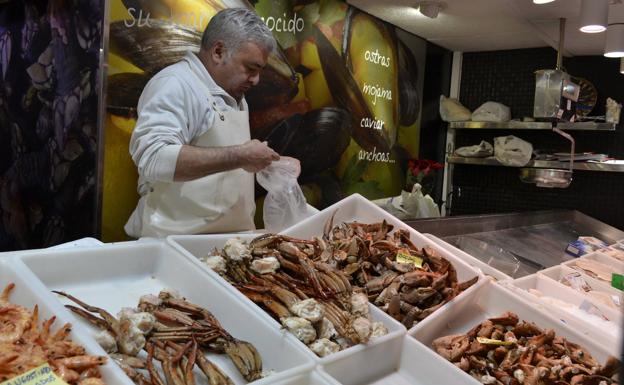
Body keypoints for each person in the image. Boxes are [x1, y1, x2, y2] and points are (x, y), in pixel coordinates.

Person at [125, 8, 280, 238]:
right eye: (250, 68)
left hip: (226, 244)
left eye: (260, 70)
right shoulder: (175, 84)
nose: (256, 80)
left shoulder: (236, 95)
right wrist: (241, 155)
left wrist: (270, 164)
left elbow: (226, 170)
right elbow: (154, 157)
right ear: (218, 51)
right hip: (172, 245)